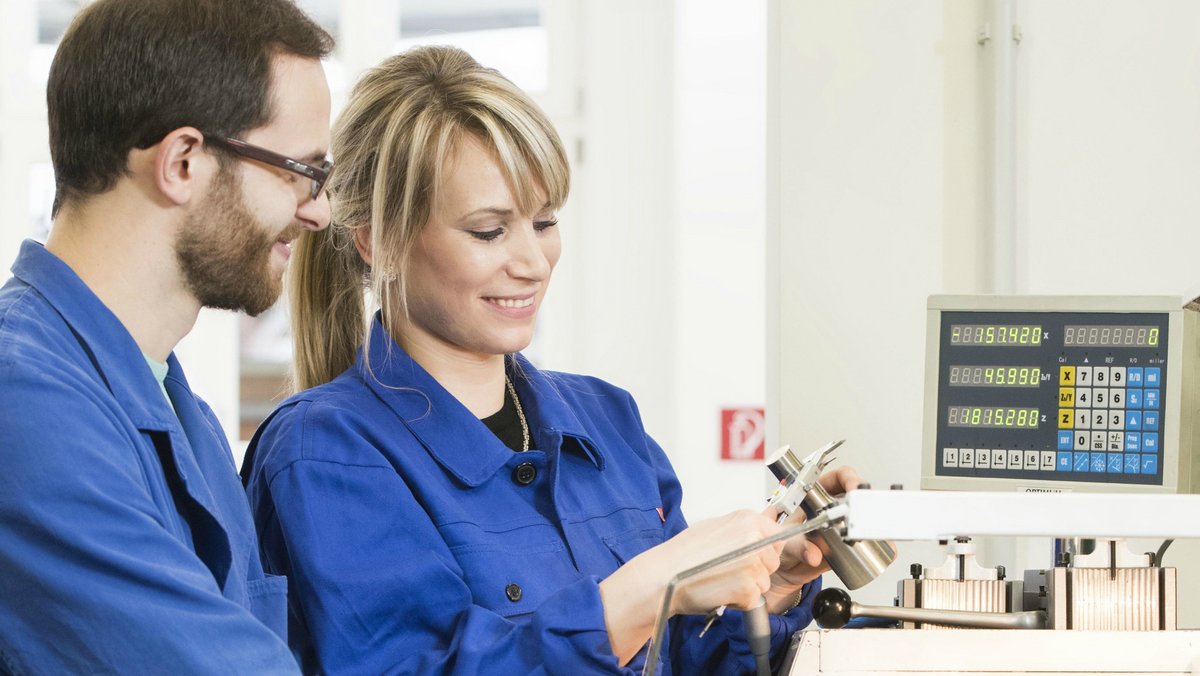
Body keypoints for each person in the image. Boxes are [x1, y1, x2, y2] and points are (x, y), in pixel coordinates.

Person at [242, 45, 861, 675]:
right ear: (381, 243)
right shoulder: (323, 451)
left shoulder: (606, 419)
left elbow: (688, 661)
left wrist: (774, 582)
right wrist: (650, 586)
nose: (533, 263)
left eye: (543, 222)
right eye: (489, 231)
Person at [0, 0, 334, 672]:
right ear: (182, 161)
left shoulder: (187, 418)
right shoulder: (22, 401)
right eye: (299, 172)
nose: (319, 210)